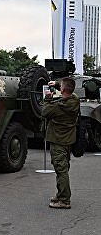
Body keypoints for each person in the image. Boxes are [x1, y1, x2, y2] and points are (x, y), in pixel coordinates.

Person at [41, 77, 80, 209]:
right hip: (67, 140)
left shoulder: (58, 107)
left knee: (61, 170)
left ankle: (64, 200)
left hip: (58, 140)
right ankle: (60, 194)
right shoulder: (74, 100)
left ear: (63, 89)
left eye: (61, 86)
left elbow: (45, 112)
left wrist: (48, 98)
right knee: (63, 168)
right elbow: (69, 91)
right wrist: (57, 85)